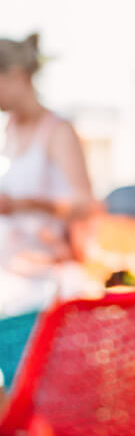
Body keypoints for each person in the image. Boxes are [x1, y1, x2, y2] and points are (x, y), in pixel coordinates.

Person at [0, 34, 99, 320]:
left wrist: (22, 205)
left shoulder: (58, 131)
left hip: (47, 287)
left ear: (17, 76)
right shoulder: (9, 131)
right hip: (13, 281)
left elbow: (85, 205)